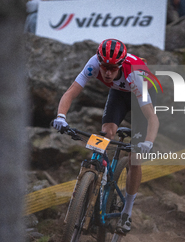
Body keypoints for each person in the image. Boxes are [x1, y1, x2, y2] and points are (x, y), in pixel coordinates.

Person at [52, 38, 159, 234]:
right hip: (119, 93)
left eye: (112, 68)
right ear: (99, 61)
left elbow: (152, 117)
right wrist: (61, 117)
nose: (107, 72)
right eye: (104, 67)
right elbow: (70, 92)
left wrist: (148, 143)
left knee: (135, 158)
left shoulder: (133, 75)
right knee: (106, 132)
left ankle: (126, 212)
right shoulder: (93, 63)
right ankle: (97, 172)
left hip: (142, 95)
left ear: (120, 65)